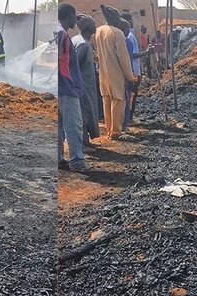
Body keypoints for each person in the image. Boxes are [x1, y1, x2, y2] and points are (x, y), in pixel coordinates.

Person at [95, 5, 137, 140]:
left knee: (106, 99)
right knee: (118, 100)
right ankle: (116, 131)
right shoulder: (117, 33)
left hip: (103, 73)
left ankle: (109, 129)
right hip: (116, 73)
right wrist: (130, 76)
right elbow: (123, 58)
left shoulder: (99, 30)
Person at [57, 3, 90, 172]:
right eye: (74, 16)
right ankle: (77, 160)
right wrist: (69, 83)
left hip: (59, 89)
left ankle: (59, 159)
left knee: (60, 126)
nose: (75, 20)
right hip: (66, 90)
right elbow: (62, 63)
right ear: (69, 15)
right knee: (74, 125)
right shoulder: (62, 35)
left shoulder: (58, 33)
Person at [72, 14, 100, 148]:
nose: (96, 27)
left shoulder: (80, 40)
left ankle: (86, 141)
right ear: (89, 28)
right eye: (94, 25)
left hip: (87, 84)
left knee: (87, 112)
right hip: (83, 86)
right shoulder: (83, 44)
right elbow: (74, 66)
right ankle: (82, 144)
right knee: (83, 113)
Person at [121, 12, 152, 130]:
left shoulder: (130, 35)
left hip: (135, 69)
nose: (133, 22)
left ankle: (130, 118)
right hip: (132, 70)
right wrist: (147, 52)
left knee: (133, 95)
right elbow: (131, 55)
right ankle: (127, 120)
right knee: (130, 95)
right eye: (131, 19)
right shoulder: (127, 36)